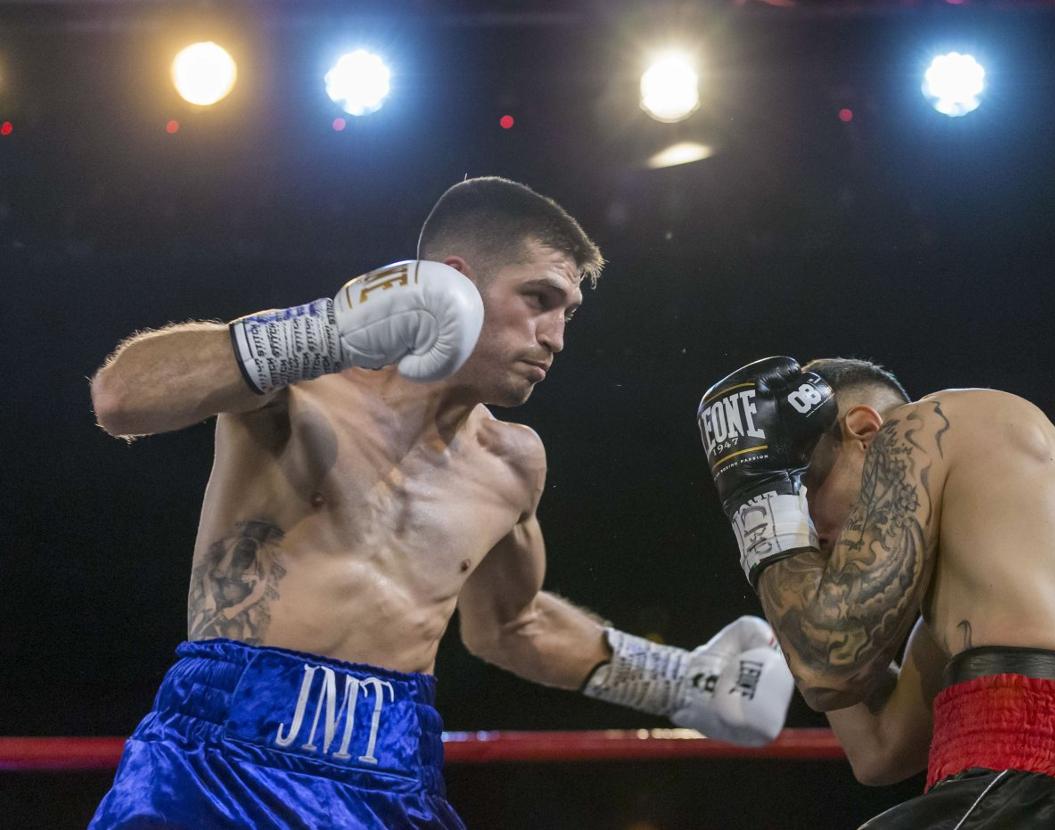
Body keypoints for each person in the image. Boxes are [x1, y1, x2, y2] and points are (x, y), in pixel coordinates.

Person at [87, 177, 794, 829]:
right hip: (225, 755)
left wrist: (679, 681)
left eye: (569, 312)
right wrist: (327, 330)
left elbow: (509, 624)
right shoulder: (302, 385)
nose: (555, 337)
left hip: (397, 770)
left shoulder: (512, 463)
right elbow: (121, 399)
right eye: (538, 299)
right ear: (450, 283)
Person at [696, 355, 1055, 829]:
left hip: (1054, 781)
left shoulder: (929, 421)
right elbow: (877, 750)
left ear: (863, 430)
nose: (807, 523)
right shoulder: (992, 595)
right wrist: (795, 577)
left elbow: (828, 665)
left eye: (808, 487)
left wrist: (762, 506)